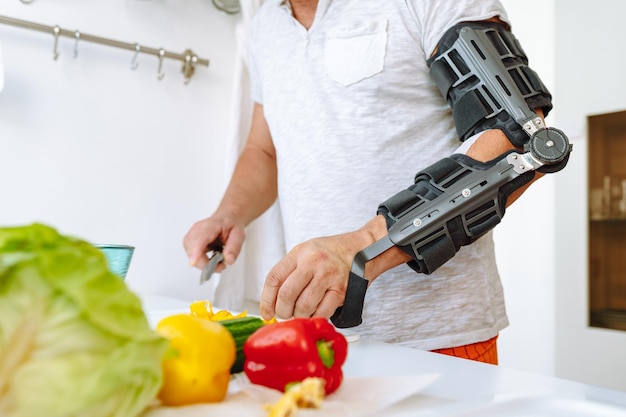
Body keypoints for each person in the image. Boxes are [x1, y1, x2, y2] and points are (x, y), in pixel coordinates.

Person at [184, 0, 550, 364]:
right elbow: (264, 150)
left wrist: (360, 250)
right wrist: (230, 213)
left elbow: (522, 137)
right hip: (316, 334)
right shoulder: (265, 25)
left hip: (438, 336)